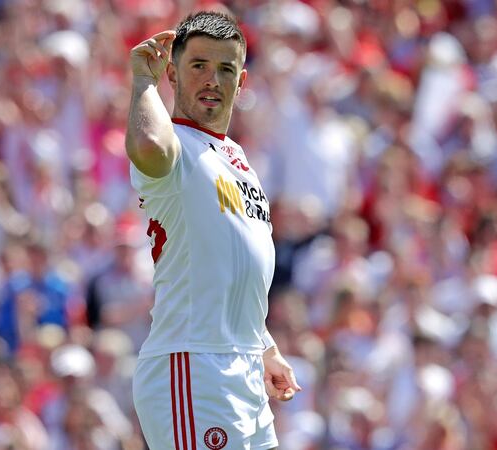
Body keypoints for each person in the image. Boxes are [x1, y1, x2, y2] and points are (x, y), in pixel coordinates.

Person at [125, 10, 301, 450]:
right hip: (193, 363)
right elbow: (148, 146)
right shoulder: (173, 144)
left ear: (241, 83)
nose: (212, 79)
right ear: (173, 74)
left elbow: (231, 261)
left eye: (225, 69)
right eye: (198, 65)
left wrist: (263, 345)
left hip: (240, 366)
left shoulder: (236, 156)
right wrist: (142, 82)